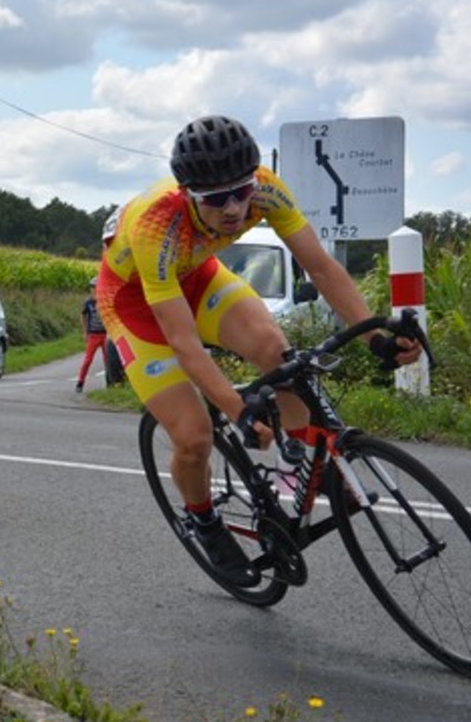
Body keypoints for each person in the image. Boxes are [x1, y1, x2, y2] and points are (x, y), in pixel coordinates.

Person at [98, 114, 421, 587]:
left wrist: (374, 337)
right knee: (194, 435)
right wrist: (238, 410)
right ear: (188, 194)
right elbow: (183, 342)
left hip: (197, 278)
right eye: (216, 199)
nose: (233, 208)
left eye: (240, 191)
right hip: (134, 305)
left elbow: (321, 268)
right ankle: (204, 521)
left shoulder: (266, 188)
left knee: (276, 349)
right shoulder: (156, 226)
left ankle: (304, 465)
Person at [75, 277, 107, 394]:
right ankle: (80, 382)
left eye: (96, 287)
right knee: (88, 360)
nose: (94, 290)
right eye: (93, 288)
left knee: (108, 360)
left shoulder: (105, 301)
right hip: (93, 335)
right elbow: (83, 316)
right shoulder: (88, 303)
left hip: (105, 334)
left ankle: (110, 382)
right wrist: (85, 332)